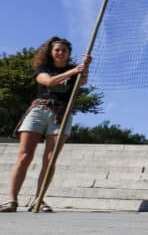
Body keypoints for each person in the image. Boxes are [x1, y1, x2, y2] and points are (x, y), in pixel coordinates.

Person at [2, 37, 91, 213]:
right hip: (39, 110)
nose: (60, 53)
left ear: (68, 53)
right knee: (25, 156)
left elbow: (82, 82)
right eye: (57, 49)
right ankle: (12, 200)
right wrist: (73, 71)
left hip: (61, 114)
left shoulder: (74, 71)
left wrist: (85, 66)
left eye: (64, 50)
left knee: (49, 160)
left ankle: (39, 199)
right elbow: (49, 82)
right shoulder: (43, 69)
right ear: (51, 52)